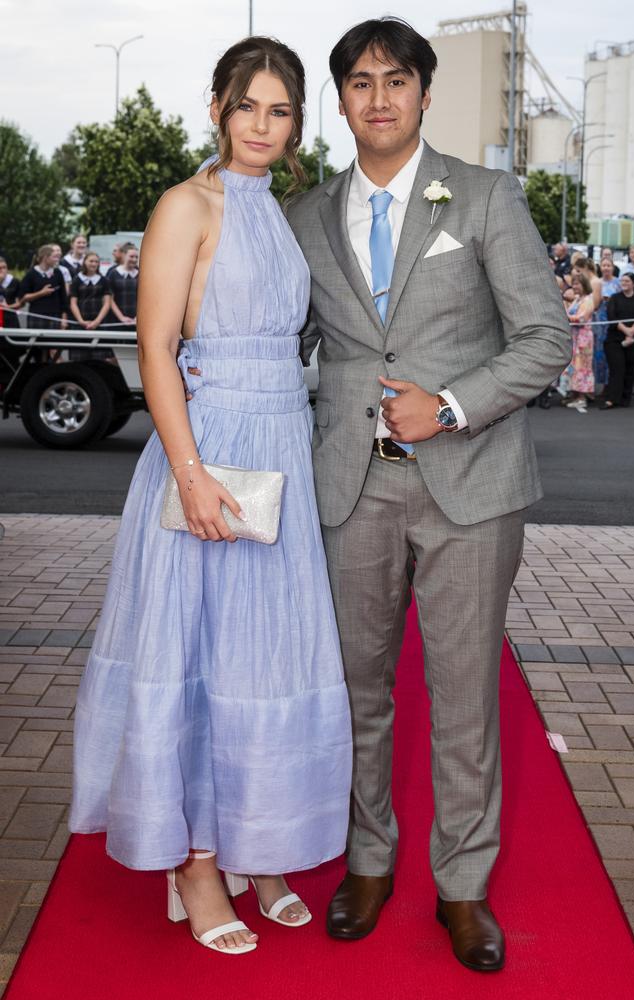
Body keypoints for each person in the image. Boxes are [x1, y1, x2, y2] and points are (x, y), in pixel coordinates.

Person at [286, 16, 571, 972]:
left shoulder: (485, 196)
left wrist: (447, 407)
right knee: (357, 690)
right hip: (349, 490)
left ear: (424, 92)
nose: (379, 97)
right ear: (340, 101)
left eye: (396, 80)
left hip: (472, 486)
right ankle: (369, 861)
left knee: (462, 700)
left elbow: (543, 339)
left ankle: (462, 886)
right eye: (360, 82)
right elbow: (291, 344)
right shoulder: (306, 215)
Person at [70, 36, 352, 958]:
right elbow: (154, 348)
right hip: (209, 452)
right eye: (249, 107)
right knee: (199, 652)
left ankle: (255, 841)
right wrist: (189, 473)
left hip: (280, 452)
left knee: (264, 656)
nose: (263, 126)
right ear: (219, 107)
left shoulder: (283, 212)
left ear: (297, 122)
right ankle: (194, 861)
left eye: (282, 111)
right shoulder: (184, 204)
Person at [601, 272, 634, 409]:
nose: (624, 283)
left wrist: (632, 331)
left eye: (627, 281)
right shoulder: (614, 298)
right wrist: (627, 331)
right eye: (622, 281)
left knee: (630, 369)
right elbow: (612, 317)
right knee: (617, 368)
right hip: (615, 338)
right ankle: (612, 399)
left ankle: (625, 399)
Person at [561, 273, 595, 413]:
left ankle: (581, 397)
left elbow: (581, 319)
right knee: (574, 367)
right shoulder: (577, 299)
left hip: (584, 339)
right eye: (573, 283)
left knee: (582, 367)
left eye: (577, 284)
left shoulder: (588, 300)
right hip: (574, 337)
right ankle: (574, 394)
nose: (574, 286)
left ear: (584, 285)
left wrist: (565, 316)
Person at [18, 245, 68, 329]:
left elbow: (63, 298)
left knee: (54, 341)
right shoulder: (31, 274)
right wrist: (41, 293)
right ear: (45, 257)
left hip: (55, 315)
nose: (57, 260)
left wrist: (64, 319)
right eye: (54, 257)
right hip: (36, 315)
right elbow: (23, 298)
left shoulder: (57, 273)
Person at [594, 256, 621, 388]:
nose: (606, 268)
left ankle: (611, 385)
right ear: (600, 267)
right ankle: (602, 384)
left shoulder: (618, 283)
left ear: (613, 267)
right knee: (600, 354)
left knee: (613, 353)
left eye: (608, 265)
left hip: (614, 321)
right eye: (603, 265)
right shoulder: (597, 282)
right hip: (599, 321)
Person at [69, 252, 112, 330]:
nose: (94, 264)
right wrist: (81, 321)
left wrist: (97, 321)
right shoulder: (77, 279)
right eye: (91, 261)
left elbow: (107, 303)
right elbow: (73, 303)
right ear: (85, 262)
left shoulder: (104, 280)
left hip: (99, 322)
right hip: (80, 322)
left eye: (96, 262)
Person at [107, 246, 139, 328]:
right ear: (124, 256)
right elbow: (109, 299)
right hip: (116, 319)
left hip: (137, 320)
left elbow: (145, 298)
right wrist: (121, 317)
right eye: (131, 256)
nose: (134, 259)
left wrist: (138, 316)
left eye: (136, 257)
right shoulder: (113, 273)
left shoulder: (140, 273)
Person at [0, 257, 21, 329]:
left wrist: (8, 307)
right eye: (0, 268)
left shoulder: (14, 282)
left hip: (10, 319)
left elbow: (20, 303)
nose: (2, 270)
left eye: (4, 267)